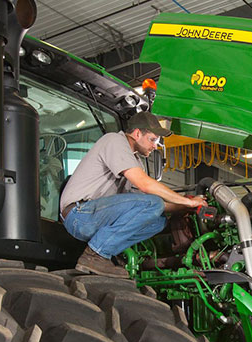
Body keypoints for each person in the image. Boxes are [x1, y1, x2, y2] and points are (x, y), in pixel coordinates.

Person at [59, 112, 206, 276]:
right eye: (152, 139)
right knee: (153, 203)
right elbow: (145, 186)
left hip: (97, 216)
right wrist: (187, 202)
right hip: (80, 215)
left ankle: (108, 252)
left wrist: (183, 206)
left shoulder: (134, 162)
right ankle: (96, 254)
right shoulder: (114, 141)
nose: (155, 146)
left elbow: (145, 207)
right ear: (137, 134)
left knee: (158, 221)